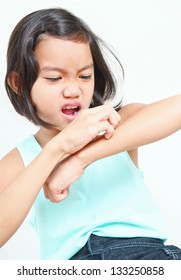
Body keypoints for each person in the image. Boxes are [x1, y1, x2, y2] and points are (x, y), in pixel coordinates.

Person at [0, 7, 181, 260]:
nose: (73, 90)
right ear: (18, 83)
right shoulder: (20, 160)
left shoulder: (116, 123)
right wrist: (57, 149)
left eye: (85, 76)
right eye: (54, 78)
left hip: (146, 258)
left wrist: (80, 158)